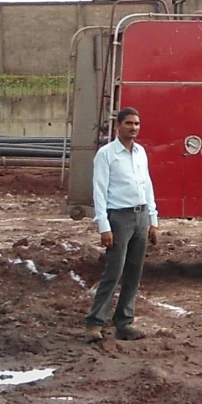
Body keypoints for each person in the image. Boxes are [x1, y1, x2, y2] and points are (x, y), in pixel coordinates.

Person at [86, 106, 157, 341]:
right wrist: (104, 226)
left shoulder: (141, 153)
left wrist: (153, 220)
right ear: (118, 126)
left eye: (137, 124)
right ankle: (95, 323)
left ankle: (124, 323)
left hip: (141, 216)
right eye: (129, 123)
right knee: (113, 271)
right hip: (119, 218)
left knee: (134, 273)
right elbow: (99, 191)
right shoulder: (106, 154)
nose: (133, 128)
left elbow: (147, 186)